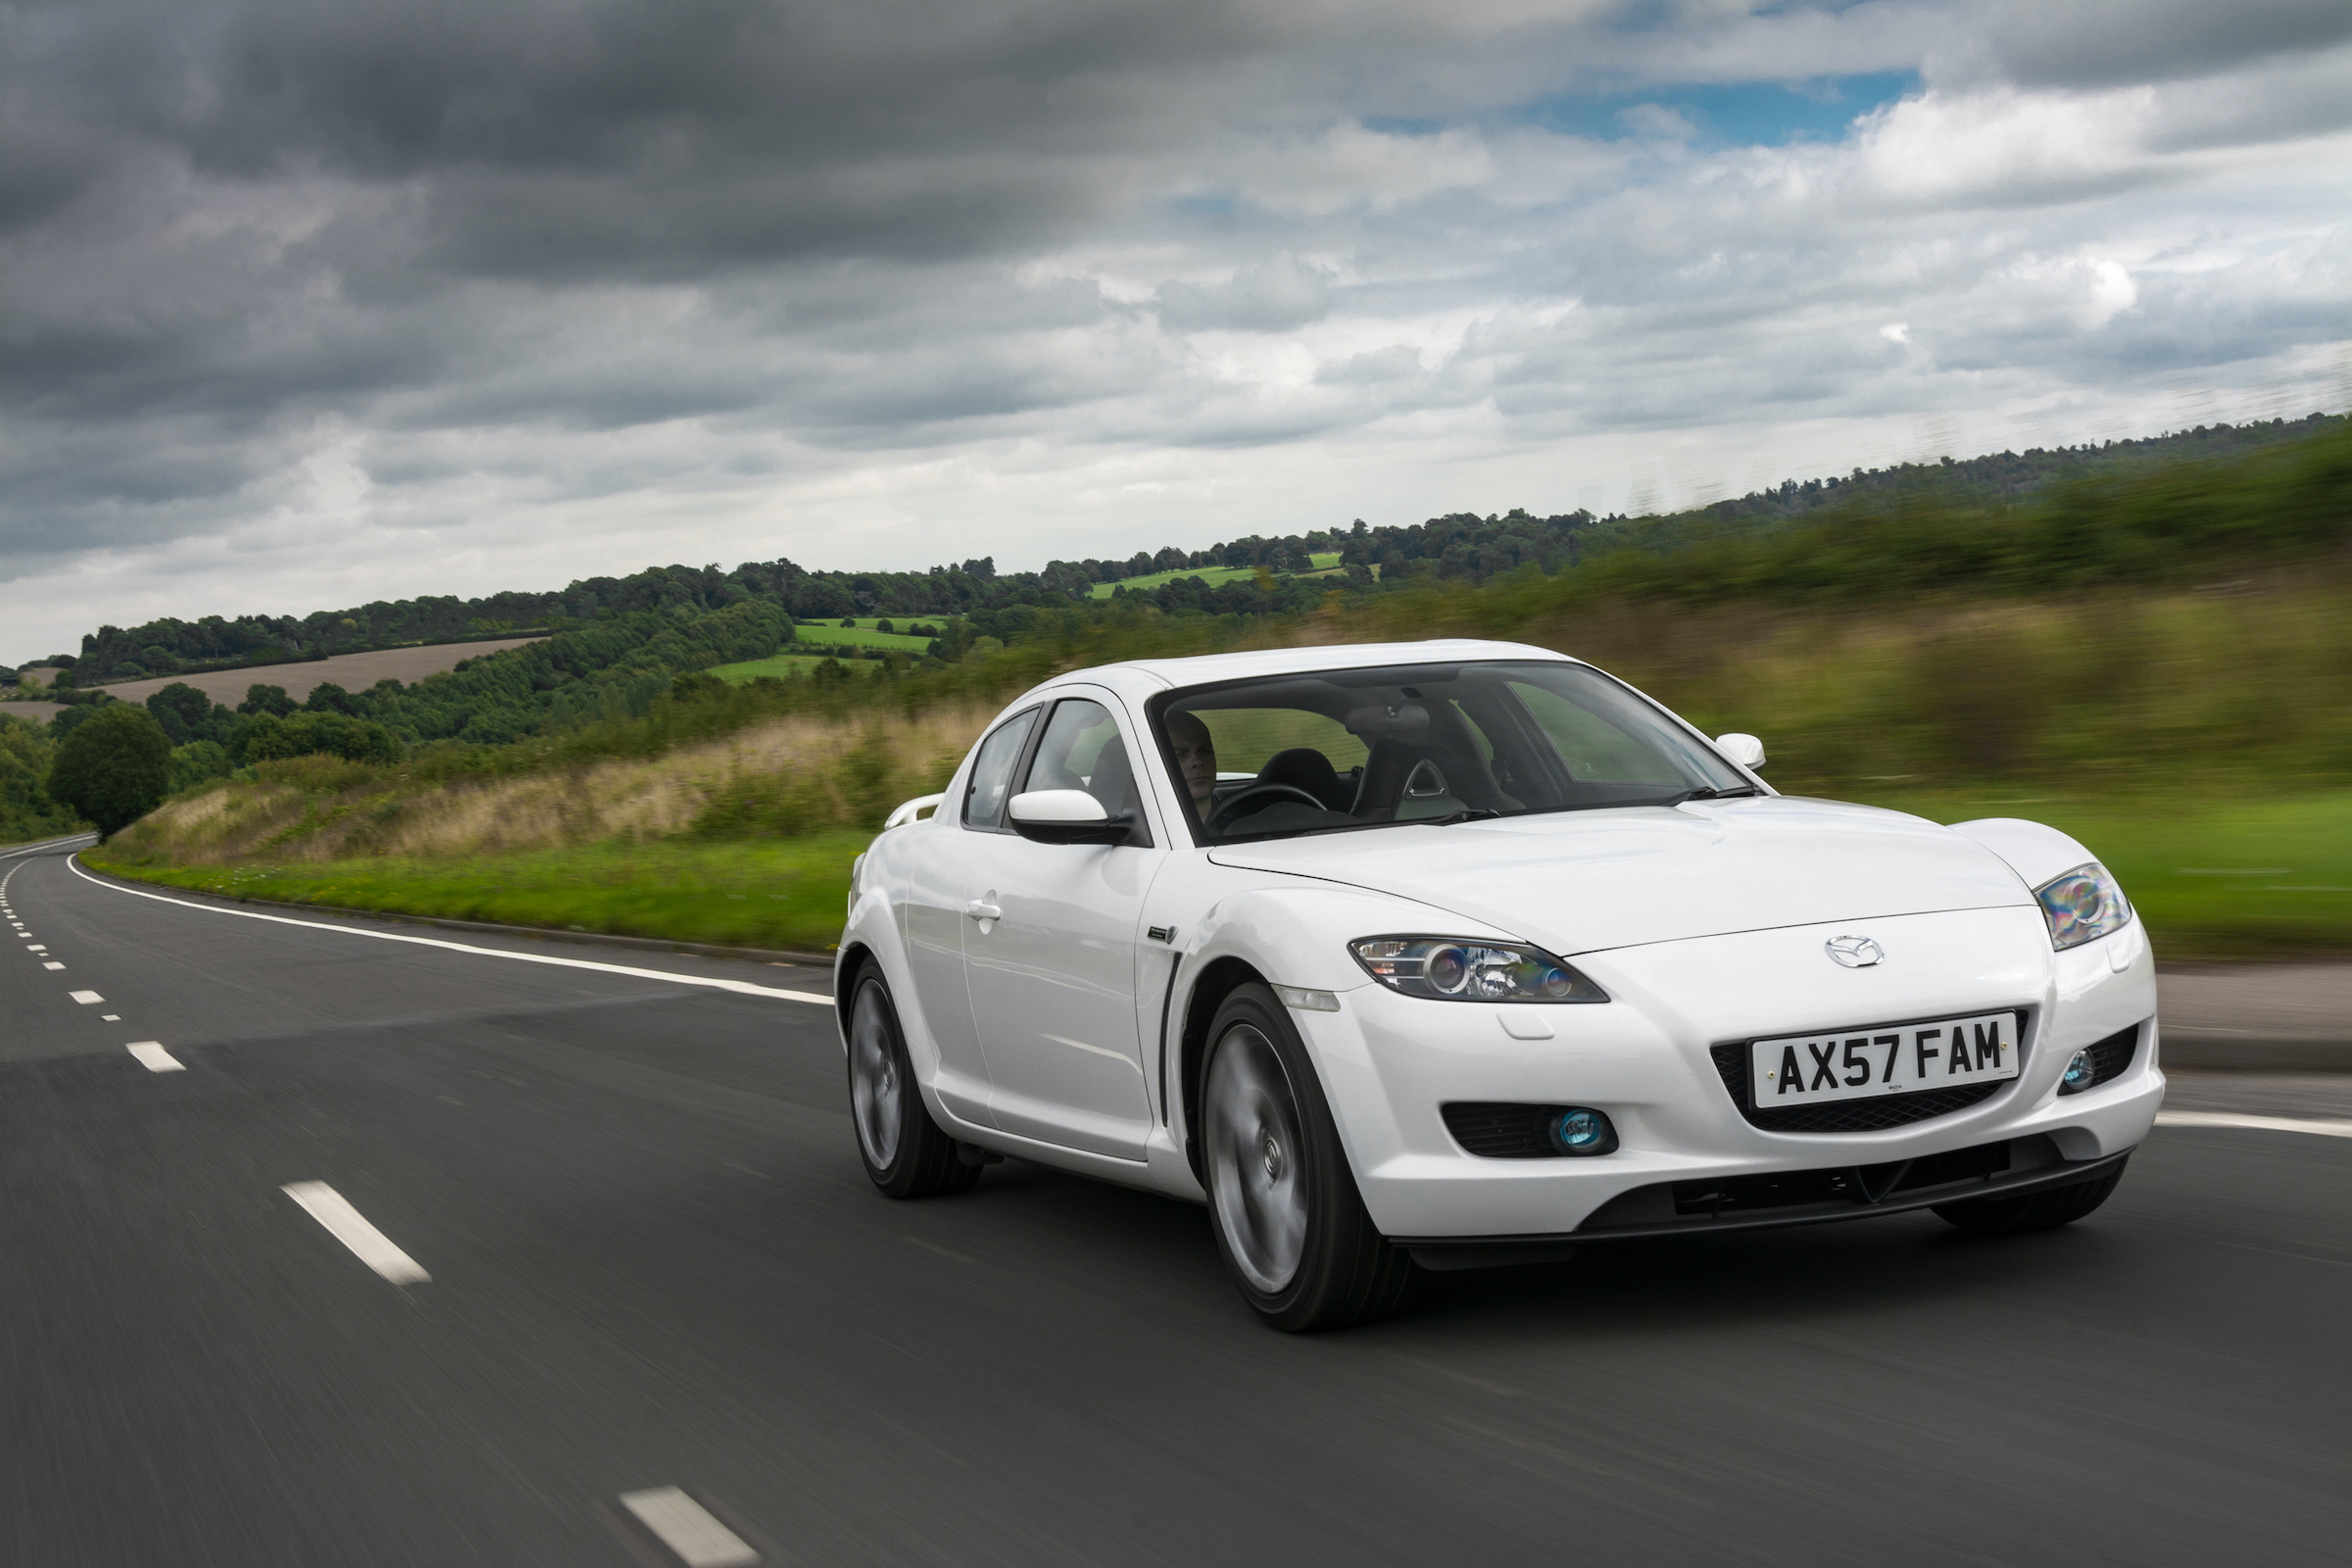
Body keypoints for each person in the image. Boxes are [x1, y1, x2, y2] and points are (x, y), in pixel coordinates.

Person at [1167, 710, 1217, 817]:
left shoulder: (1242, 815)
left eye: (1205, 750)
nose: (1197, 762)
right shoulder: (1146, 828)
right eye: (1179, 754)